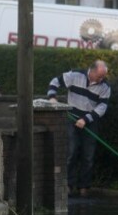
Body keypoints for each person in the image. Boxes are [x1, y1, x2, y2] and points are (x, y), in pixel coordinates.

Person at [47, 59, 110, 198]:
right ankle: (68, 185)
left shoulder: (105, 86)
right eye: (100, 75)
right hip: (71, 118)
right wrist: (52, 97)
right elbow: (55, 81)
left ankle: (84, 187)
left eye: (103, 76)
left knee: (88, 155)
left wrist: (86, 119)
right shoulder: (75, 75)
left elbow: (102, 107)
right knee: (72, 151)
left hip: (90, 120)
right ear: (92, 71)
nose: (102, 78)